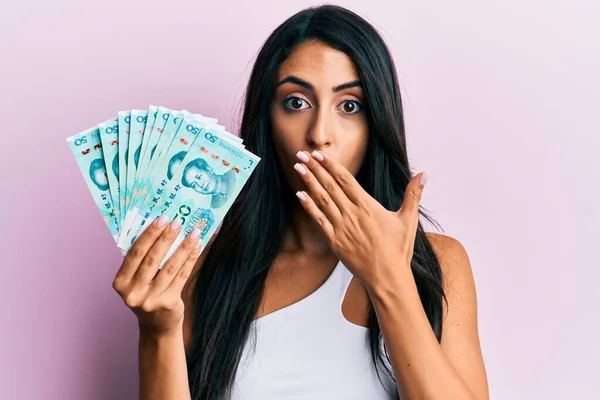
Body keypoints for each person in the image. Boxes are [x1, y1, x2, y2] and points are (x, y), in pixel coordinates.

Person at [112, 5, 489, 400]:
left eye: (349, 105)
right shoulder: (201, 271)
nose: (319, 134)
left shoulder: (438, 264)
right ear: (266, 121)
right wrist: (157, 330)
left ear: (377, 121)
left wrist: (389, 279)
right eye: (296, 102)